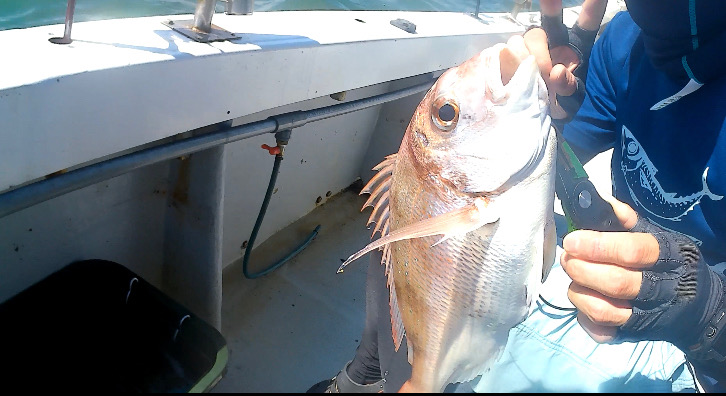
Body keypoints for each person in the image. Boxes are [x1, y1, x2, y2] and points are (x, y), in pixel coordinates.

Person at [308, 0, 726, 392]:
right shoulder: (625, 41)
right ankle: (370, 372)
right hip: (599, 247)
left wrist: (712, 316)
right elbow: (569, 148)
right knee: (410, 225)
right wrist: (556, 105)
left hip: (693, 312)